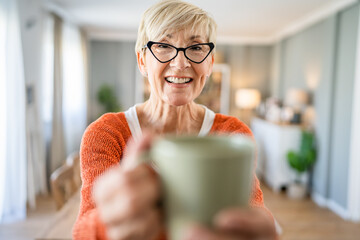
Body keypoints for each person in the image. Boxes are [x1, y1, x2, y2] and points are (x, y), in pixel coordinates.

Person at [73, 0, 277, 239]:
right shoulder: (106, 134)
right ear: (142, 61)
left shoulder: (232, 135)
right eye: (163, 46)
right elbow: (84, 231)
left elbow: (252, 209)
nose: (181, 63)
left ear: (210, 63)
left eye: (196, 47)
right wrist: (108, 225)